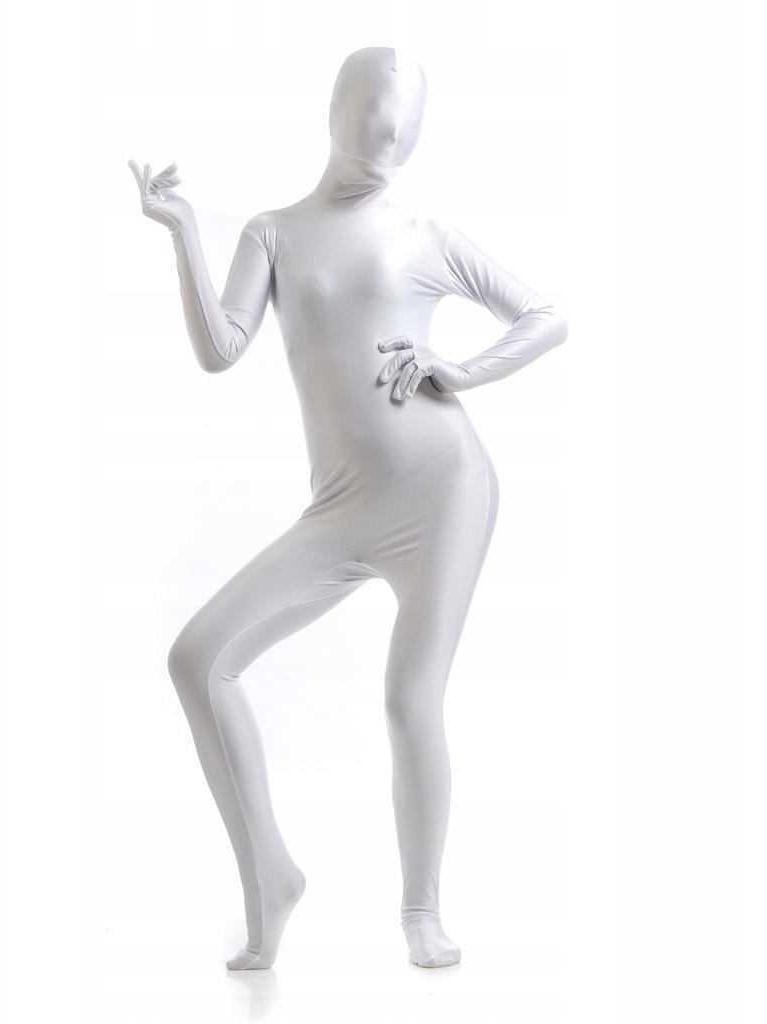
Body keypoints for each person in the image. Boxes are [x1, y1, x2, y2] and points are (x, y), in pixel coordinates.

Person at [127, 45, 567, 971]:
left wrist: (462, 369)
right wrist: (181, 230)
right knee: (198, 658)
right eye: (373, 112)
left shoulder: (426, 233)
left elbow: (545, 316)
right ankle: (271, 879)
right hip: (340, 507)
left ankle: (421, 912)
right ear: (336, 110)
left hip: (445, 489)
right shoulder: (274, 232)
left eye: (404, 124)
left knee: (410, 698)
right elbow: (221, 348)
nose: (389, 135)